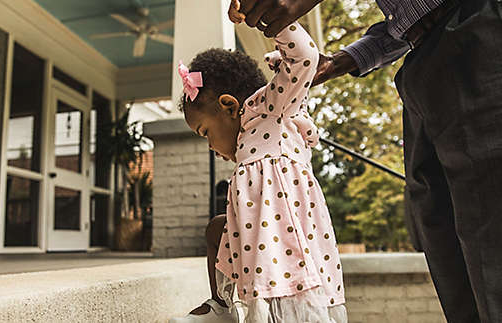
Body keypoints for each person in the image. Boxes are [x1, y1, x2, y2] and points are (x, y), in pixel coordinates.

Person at [237, 0, 502, 322]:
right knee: (445, 241)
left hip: (480, 34)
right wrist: (339, 62)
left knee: (490, 233)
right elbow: (403, 22)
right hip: (422, 59)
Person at [169, 5, 347, 322]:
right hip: (256, 242)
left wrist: (269, 19)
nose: (210, 145)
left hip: (288, 249)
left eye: (205, 132)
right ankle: (222, 306)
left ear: (228, 106)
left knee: (291, 311)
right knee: (215, 229)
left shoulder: (272, 110)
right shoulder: (245, 143)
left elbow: (304, 58)